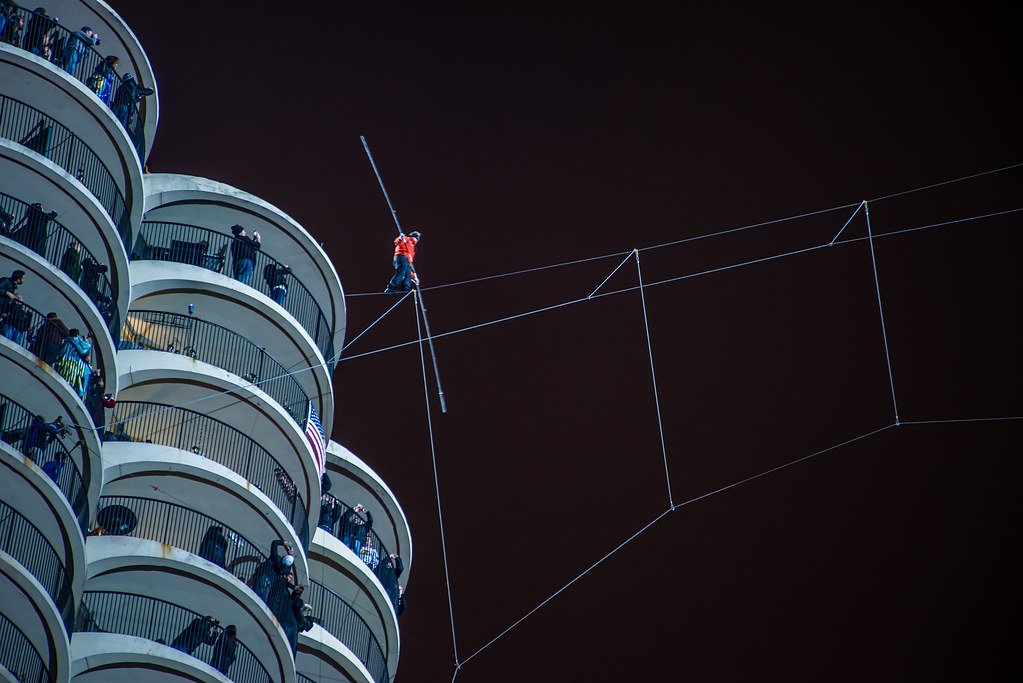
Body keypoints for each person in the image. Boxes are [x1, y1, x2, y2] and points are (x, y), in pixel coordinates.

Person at [251, 538, 293, 605]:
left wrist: (284, 543)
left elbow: (274, 543)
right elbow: (288, 567)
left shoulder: (274, 557)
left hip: (262, 576)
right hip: (269, 583)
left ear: (283, 557)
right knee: (261, 601)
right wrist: (291, 555)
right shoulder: (283, 570)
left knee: (254, 596)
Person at [53, 328, 92, 398]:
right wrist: (86, 341)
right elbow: (86, 353)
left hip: (63, 364)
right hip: (75, 366)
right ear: (77, 335)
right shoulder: (79, 341)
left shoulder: (66, 341)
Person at [1, 270, 26, 342]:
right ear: (18, 278)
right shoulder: (6, 281)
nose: (23, 280)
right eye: (23, 278)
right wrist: (7, 293)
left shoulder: (12, 286)